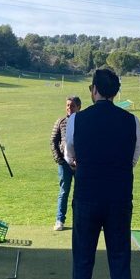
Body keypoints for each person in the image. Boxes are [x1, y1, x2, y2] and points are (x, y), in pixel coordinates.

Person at [65, 68, 140, 279]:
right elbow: (134, 158)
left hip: (86, 197)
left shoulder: (76, 119)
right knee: (120, 266)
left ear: (94, 89)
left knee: (82, 266)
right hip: (119, 199)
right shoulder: (131, 120)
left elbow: (70, 155)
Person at [50, 96, 82, 231]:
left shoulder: (84, 121)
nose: (69, 108)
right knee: (64, 191)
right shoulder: (61, 121)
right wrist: (60, 160)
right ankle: (59, 220)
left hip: (81, 164)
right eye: (68, 105)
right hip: (64, 164)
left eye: (72, 105)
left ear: (79, 107)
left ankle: (79, 221)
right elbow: (53, 141)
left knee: (80, 193)